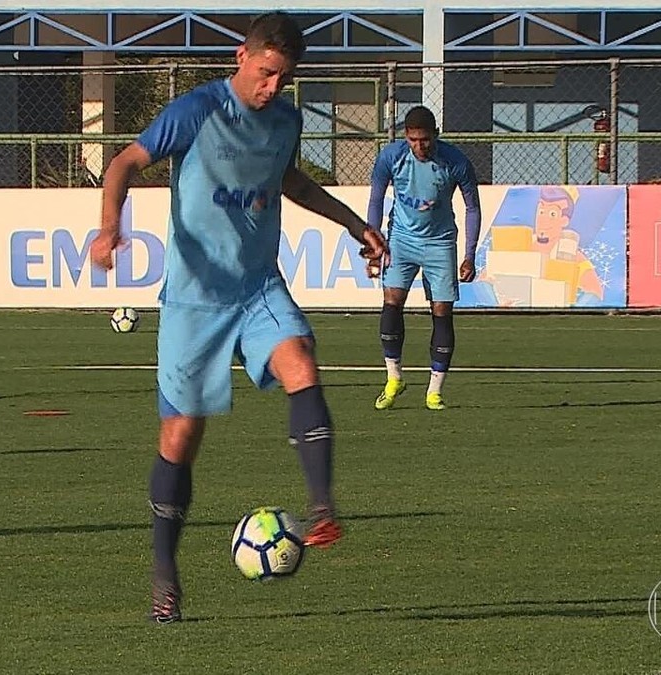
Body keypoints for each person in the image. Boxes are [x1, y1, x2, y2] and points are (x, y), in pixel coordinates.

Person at [89, 12, 386, 624]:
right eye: (266, 73)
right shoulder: (196, 111)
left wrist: (355, 223)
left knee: (301, 356)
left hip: (257, 287)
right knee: (181, 437)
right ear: (241, 58)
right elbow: (124, 161)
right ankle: (165, 573)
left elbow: (290, 183)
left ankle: (322, 506)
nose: (272, 87)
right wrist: (110, 225)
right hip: (195, 302)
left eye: (284, 77)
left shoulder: (285, 120)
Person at [367, 105, 481, 412]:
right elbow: (376, 198)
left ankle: (435, 391)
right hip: (401, 239)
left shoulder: (455, 161)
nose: (420, 146)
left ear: (436, 136)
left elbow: (472, 207)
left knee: (442, 310)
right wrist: (375, 239)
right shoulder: (391, 157)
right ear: (406, 136)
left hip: (440, 241)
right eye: (414, 140)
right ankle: (394, 378)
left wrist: (469, 255)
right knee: (392, 301)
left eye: (426, 140)